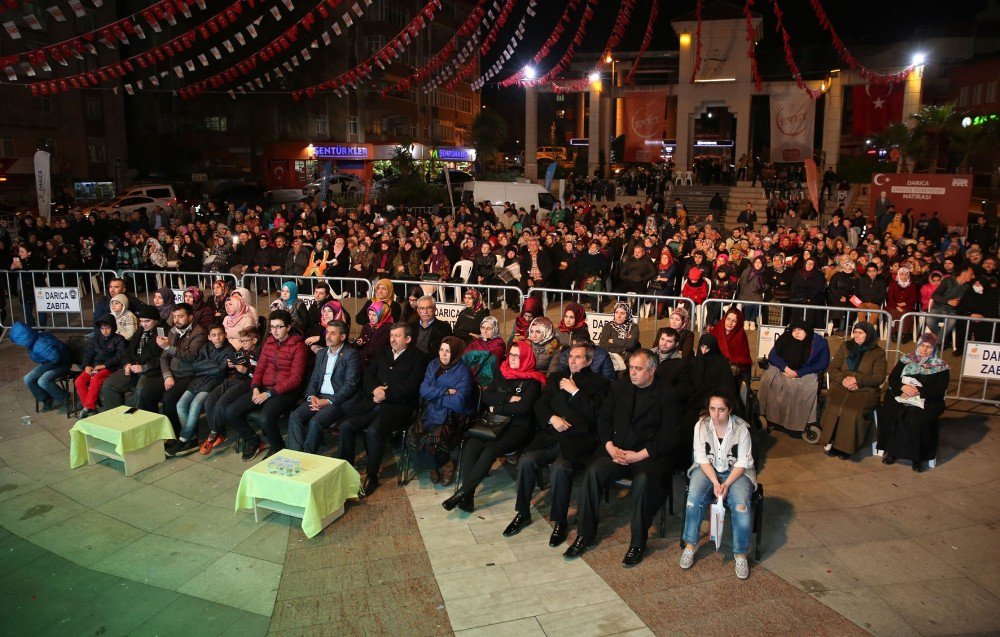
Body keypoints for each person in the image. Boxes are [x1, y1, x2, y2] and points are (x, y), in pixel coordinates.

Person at [563, 349, 681, 568]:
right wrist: (609, 446)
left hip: (648, 455)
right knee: (592, 473)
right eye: (631, 368)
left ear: (652, 370)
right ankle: (585, 534)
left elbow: (669, 437)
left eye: (638, 369)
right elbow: (604, 419)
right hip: (617, 451)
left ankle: (638, 542)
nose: (632, 373)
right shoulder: (620, 387)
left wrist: (638, 455)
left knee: (644, 483)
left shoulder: (667, 394)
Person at [504, 342, 610, 545]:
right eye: (570, 356)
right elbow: (540, 405)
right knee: (526, 460)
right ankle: (523, 512)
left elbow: (596, 415)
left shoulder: (600, 384)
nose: (572, 360)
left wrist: (575, 392)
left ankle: (560, 521)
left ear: (589, 361)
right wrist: (552, 418)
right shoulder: (555, 378)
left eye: (578, 357)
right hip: (552, 436)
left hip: (578, 442)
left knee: (560, 469)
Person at [443, 340, 545, 513]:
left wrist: (497, 405)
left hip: (517, 427)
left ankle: (462, 493)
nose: (512, 359)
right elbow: (486, 397)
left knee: (490, 451)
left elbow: (523, 408)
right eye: (511, 354)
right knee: (472, 445)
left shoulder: (533, 381)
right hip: (493, 421)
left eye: (517, 356)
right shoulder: (502, 371)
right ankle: (467, 496)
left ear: (526, 357)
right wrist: (507, 399)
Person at [339, 322, 428, 496]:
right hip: (373, 401)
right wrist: (375, 390)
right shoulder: (383, 352)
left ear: (408, 339)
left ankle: (372, 476)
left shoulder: (419, 357)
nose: (392, 339)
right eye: (391, 335)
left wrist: (386, 394)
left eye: (397, 336)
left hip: (399, 407)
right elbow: (368, 374)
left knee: (373, 431)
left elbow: (411, 386)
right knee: (346, 426)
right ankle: (345, 469)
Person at [679, 392, 756, 580]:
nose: (715, 414)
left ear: (730, 410)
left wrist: (727, 484)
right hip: (708, 469)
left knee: (741, 506)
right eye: (712, 409)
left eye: (721, 409)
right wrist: (715, 482)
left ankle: (740, 554)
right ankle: (690, 545)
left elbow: (742, 462)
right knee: (693, 499)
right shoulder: (701, 426)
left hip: (737, 472)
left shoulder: (741, 428)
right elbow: (701, 458)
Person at [222, 309, 308, 460]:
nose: (274, 331)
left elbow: (295, 379)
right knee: (230, 412)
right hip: (263, 387)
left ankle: (278, 448)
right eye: (272, 327)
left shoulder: (298, 346)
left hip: (286, 391)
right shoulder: (269, 343)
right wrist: (255, 388)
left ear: (288, 327)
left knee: (265, 418)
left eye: (279, 327)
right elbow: (260, 369)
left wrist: (268, 394)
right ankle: (253, 440)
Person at [876, 333, 950, 472]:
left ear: (934, 349)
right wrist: (902, 388)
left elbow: (939, 389)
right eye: (922, 346)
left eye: (929, 347)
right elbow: (893, 379)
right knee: (892, 413)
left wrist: (917, 392)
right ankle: (892, 451)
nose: (924, 350)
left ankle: (917, 457)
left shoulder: (940, 366)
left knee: (917, 418)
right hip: (902, 395)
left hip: (927, 400)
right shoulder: (906, 359)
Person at [286, 321, 361, 454]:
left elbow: (350, 385)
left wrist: (327, 401)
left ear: (342, 337)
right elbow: (314, 379)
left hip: (337, 400)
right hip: (318, 397)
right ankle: (295, 454)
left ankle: (307, 456)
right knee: (295, 416)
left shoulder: (350, 355)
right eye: (327, 332)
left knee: (315, 421)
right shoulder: (322, 354)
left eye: (333, 333)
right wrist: (311, 396)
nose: (328, 336)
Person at [818, 322, 887, 457]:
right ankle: (832, 442)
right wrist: (843, 379)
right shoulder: (845, 347)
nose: (856, 335)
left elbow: (879, 377)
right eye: (855, 332)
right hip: (841, 386)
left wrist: (857, 380)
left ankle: (845, 448)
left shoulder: (878, 352)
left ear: (869, 335)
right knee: (834, 407)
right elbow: (832, 368)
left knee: (851, 412)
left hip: (865, 390)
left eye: (860, 333)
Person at [415, 336, 475, 486]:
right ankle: (433, 465)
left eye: (448, 351)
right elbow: (423, 390)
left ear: (455, 353)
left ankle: (447, 465)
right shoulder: (433, 364)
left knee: (432, 439)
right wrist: (446, 391)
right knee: (415, 433)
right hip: (432, 410)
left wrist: (434, 395)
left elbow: (459, 402)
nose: (443, 354)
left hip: (455, 416)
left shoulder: (463, 372)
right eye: (441, 350)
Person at [169, 325, 235, 455]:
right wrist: (214, 365)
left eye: (220, 334)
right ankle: (192, 438)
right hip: (198, 381)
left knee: (195, 405)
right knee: (180, 405)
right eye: (214, 335)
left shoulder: (229, 350)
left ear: (225, 334)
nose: (218, 338)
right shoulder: (206, 346)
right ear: (209, 337)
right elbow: (196, 365)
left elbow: (221, 371)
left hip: (214, 383)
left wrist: (209, 365)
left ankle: (183, 439)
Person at [758, 319, 831, 433]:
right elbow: (773, 355)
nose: (796, 333)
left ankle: (799, 422)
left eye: (800, 330)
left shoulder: (819, 343)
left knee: (804, 386)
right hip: (785, 368)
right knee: (769, 378)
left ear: (806, 331)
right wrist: (785, 368)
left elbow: (823, 363)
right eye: (794, 330)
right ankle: (764, 413)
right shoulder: (786, 338)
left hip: (804, 371)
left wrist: (799, 373)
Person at [200, 326, 260, 455]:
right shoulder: (242, 351)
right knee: (209, 401)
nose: (242, 344)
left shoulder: (260, 353)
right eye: (241, 341)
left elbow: (261, 375)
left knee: (222, 404)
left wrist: (247, 371)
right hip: (231, 379)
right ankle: (219, 432)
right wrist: (230, 366)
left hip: (245, 383)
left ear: (254, 340)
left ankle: (213, 434)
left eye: (245, 341)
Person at [99, 306, 163, 409]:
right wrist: (127, 363)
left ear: (156, 320)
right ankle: (117, 418)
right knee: (109, 385)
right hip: (134, 367)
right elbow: (129, 351)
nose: (143, 324)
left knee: (141, 391)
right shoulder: (140, 331)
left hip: (152, 371)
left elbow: (163, 358)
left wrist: (144, 367)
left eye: (147, 321)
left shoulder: (162, 333)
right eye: (141, 321)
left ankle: (138, 421)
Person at [11, 321, 71, 412]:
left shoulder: (39, 345)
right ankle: (46, 399)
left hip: (62, 364)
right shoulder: (35, 338)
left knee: (43, 381)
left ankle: (65, 398)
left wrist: (44, 370)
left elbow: (56, 359)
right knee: (27, 378)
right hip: (52, 362)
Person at [75, 315, 128, 417]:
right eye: (102, 328)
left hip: (110, 367)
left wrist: (104, 365)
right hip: (94, 366)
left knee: (95, 379)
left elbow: (119, 356)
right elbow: (88, 353)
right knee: (79, 381)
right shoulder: (95, 339)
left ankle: (89, 407)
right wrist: (86, 365)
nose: (105, 331)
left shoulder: (119, 339)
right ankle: (90, 407)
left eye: (107, 328)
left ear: (113, 327)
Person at [709, 307, 753, 380]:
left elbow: (742, 358)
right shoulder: (716, 330)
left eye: (734, 321)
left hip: (732, 368)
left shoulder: (741, 334)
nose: (730, 323)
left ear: (738, 323)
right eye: (728, 319)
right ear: (724, 318)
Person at [598, 301, 640, 371]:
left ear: (628, 314)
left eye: (622, 313)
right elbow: (603, 345)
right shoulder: (608, 326)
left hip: (627, 361)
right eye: (616, 312)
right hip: (610, 359)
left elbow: (631, 345)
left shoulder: (633, 327)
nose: (619, 316)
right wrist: (623, 350)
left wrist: (613, 340)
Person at [353, 300, 394, 369]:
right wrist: (359, 343)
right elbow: (360, 342)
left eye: (374, 315)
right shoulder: (367, 326)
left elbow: (377, 350)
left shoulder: (388, 329)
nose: (370, 318)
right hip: (363, 360)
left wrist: (356, 354)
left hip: (376, 364)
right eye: (369, 314)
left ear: (383, 314)